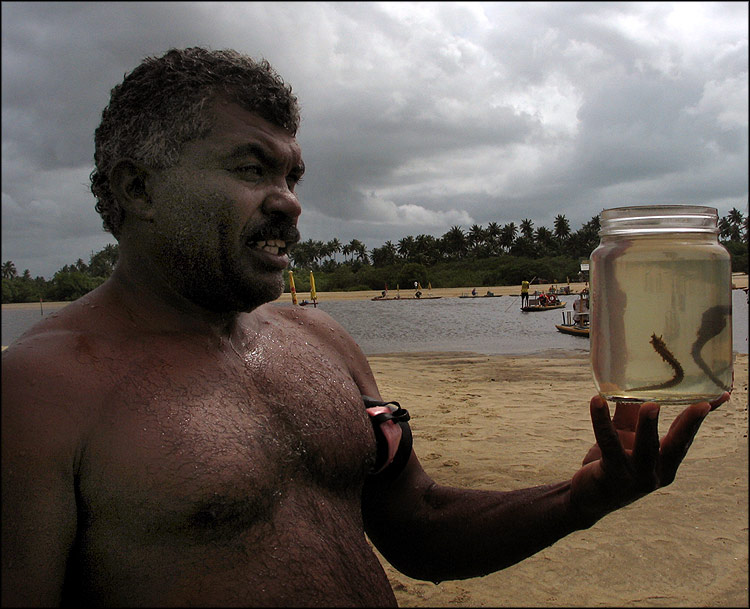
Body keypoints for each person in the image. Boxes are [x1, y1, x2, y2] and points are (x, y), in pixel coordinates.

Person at [1, 47, 729, 608]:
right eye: (253, 168)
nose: (287, 202)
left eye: (293, 176)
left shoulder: (319, 340)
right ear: (138, 187)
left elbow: (421, 523)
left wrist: (580, 500)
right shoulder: (40, 394)